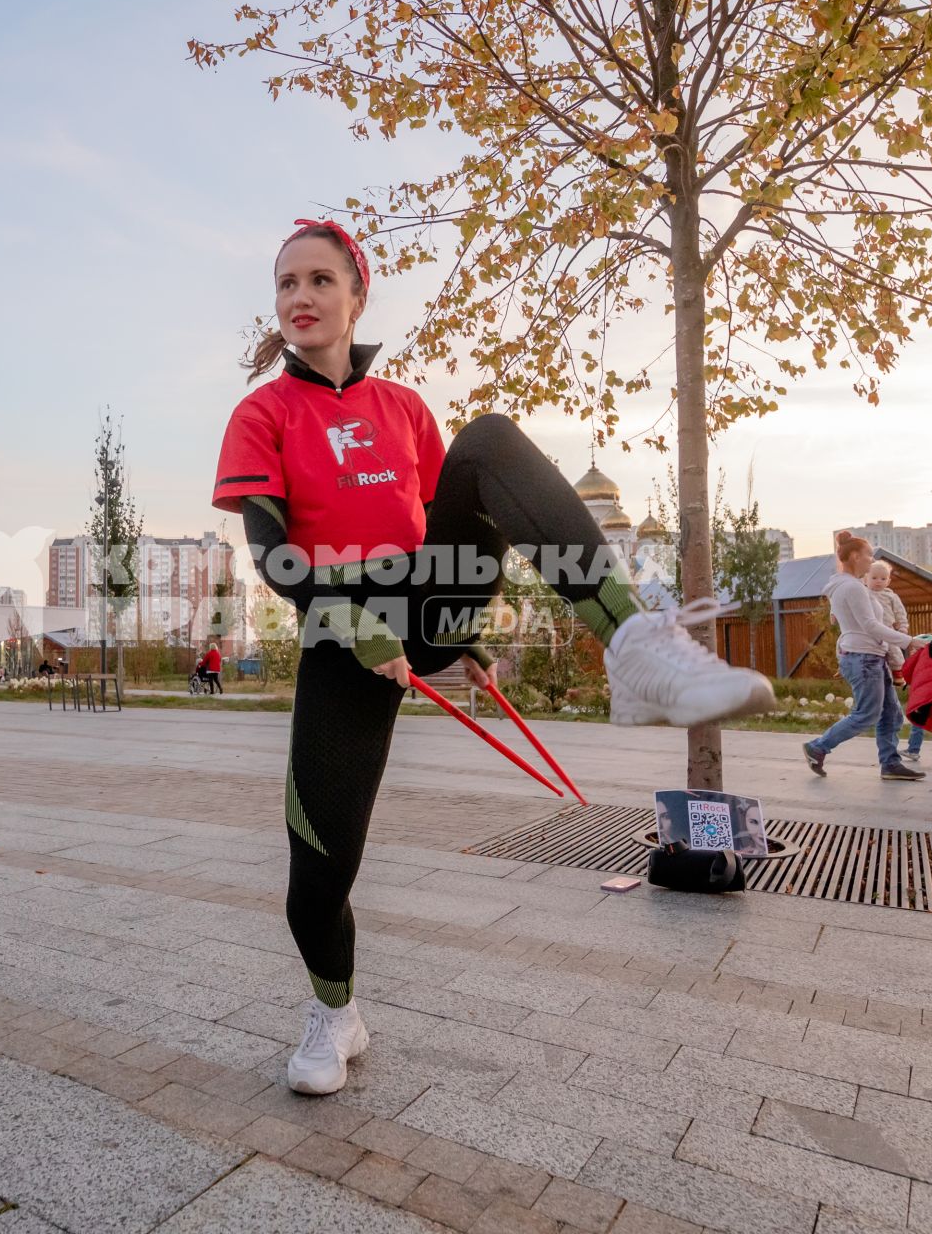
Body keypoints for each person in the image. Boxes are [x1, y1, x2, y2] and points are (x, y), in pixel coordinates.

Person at [213, 218, 774, 1097]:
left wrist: (459, 638)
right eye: (286, 284)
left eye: (320, 280)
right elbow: (272, 552)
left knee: (490, 442)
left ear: (356, 296)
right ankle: (336, 1013)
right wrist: (357, 628)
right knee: (316, 879)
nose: (300, 298)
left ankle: (633, 640)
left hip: (426, 600)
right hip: (337, 631)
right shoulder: (263, 413)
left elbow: (458, 519)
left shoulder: (402, 409)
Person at [801, 533, 927, 782]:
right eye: (869, 555)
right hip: (863, 658)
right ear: (856, 556)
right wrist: (908, 641)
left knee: (891, 714)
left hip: (870, 657)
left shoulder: (850, 586)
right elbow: (870, 625)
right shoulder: (851, 587)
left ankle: (890, 764)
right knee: (867, 714)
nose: (872, 560)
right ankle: (818, 747)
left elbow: (860, 622)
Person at [866, 561, 932, 762]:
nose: (878, 582)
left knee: (927, 722)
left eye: (883, 578)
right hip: (880, 638)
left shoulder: (891, 597)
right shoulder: (864, 594)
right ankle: (917, 748)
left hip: (922, 694)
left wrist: (902, 633)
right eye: (874, 578)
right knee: (922, 721)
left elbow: (901, 616)